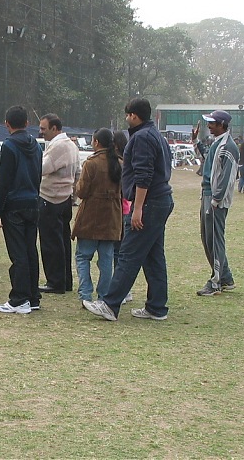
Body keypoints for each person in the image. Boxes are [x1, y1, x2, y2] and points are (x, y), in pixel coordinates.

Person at [83, 98, 174, 321]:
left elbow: (144, 175)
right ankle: (156, 307)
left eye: (127, 115)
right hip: (160, 200)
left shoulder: (142, 137)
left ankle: (110, 304)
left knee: (129, 254)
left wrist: (138, 208)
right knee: (153, 256)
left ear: (133, 115)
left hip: (150, 202)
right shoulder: (155, 134)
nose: (126, 119)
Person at [0, 105, 43, 314]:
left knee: (18, 253)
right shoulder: (37, 146)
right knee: (30, 250)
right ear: (27, 123)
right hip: (33, 201)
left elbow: (4, 181)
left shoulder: (9, 147)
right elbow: (39, 174)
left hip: (14, 206)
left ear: (7, 124)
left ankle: (19, 299)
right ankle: (33, 297)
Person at [71, 128, 122, 305]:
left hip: (91, 216)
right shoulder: (120, 163)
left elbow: (82, 191)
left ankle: (85, 295)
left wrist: (77, 186)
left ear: (96, 142)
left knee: (83, 256)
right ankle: (104, 296)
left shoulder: (91, 163)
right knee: (106, 259)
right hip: (112, 217)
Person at [192, 110, 239, 296]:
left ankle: (216, 281)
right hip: (208, 194)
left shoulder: (229, 146)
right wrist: (195, 141)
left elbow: (228, 177)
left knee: (214, 239)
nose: (209, 126)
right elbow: (207, 158)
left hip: (215, 199)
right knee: (208, 238)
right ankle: (226, 277)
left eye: (212, 123)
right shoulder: (218, 143)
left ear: (221, 124)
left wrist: (216, 199)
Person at [37, 113, 80, 294]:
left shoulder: (57, 147)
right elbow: (78, 172)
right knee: (62, 242)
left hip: (50, 199)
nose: (41, 132)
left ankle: (55, 282)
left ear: (54, 128)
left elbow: (42, 168)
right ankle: (64, 280)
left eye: (43, 129)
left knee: (50, 243)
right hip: (66, 199)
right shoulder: (71, 146)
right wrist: (74, 195)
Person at [112, 130, 134, 303]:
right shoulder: (126, 162)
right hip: (126, 209)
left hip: (121, 210)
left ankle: (122, 290)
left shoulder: (118, 164)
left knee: (118, 252)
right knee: (120, 252)